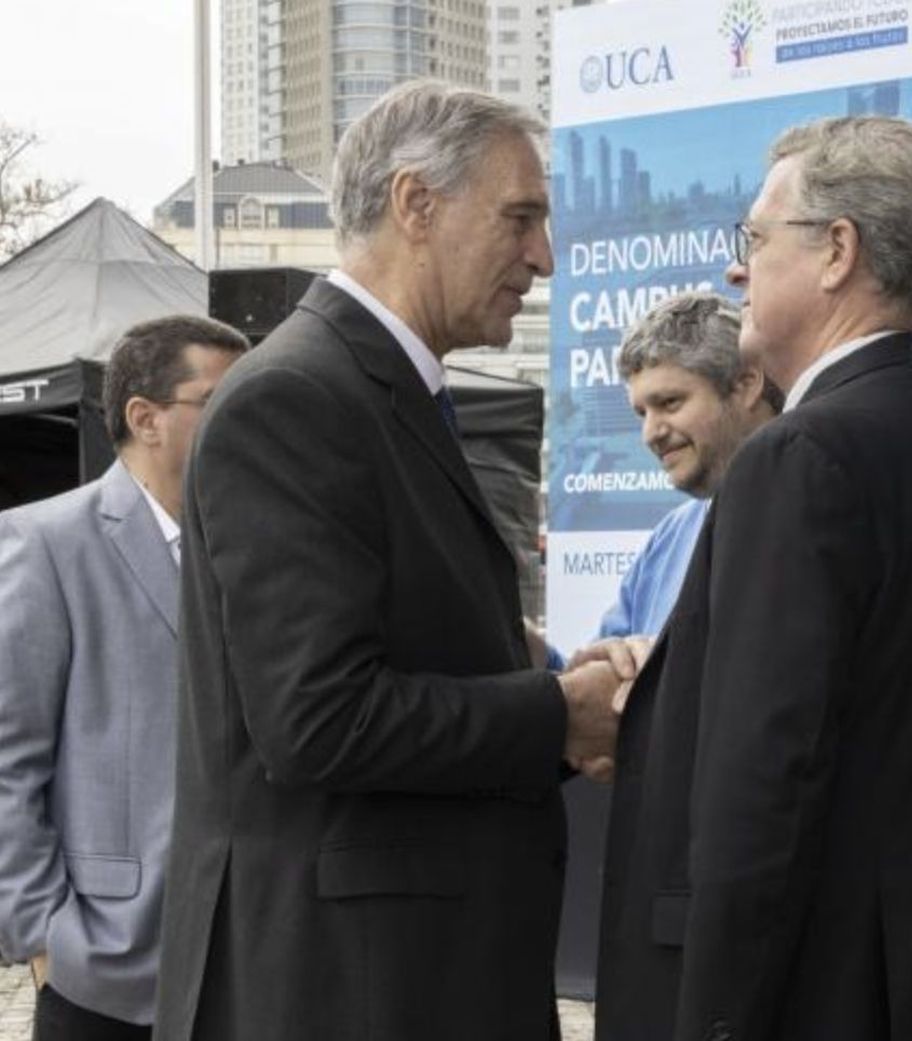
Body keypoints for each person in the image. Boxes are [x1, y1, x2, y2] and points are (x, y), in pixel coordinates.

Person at [151, 81, 625, 1041]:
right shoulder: (297, 397)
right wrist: (551, 711)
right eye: (522, 218)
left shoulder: (378, 391)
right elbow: (317, 720)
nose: (542, 256)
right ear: (417, 205)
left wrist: (541, 687)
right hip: (350, 993)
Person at [593, 116, 912, 1041]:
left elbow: (763, 786)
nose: (738, 270)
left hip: (814, 996)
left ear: (838, 251)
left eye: (754, 238)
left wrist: (714, 1021)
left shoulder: (802, 457)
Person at [600, 289, 912, 884]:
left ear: (748, 383)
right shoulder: (668, 543)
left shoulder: (858, 507)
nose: (651, 432)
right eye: (639, 412)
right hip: (693, 905)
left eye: (670, 402)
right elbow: (608, 693)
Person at [0, 316, 247, 1041]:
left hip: (249, 964)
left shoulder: (255, 548)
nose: (249, 422)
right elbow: (8, 763)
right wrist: (47, 938)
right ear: (146, 418)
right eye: (222, 403)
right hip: (108, 971)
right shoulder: (45, 545)